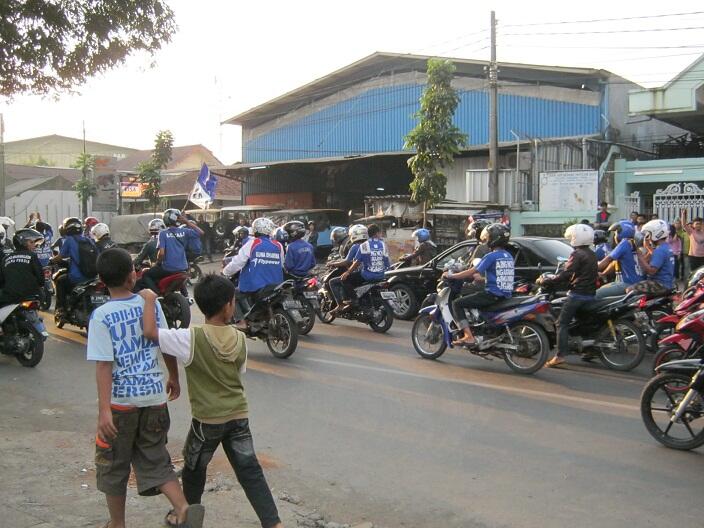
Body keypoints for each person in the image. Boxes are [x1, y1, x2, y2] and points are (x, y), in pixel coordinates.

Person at [139, 275, 284, 528]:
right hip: (238, 416)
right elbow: (239, 375)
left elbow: (150, 332)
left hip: (206, 421)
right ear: (229, 305)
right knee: (250, 472)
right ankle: (273, 523)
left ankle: (186, 516)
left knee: (195, 469)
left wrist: (150, 300)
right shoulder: (240, 340)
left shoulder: (189, 337)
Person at [86, 248, 204, 528]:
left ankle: (118, 523)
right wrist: (173, 376)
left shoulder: (101, 316)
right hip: (153, 398)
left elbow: (104, 366)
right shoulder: (149, 304)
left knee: (113, 466)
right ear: (134, 274)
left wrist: (104, 411)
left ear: (101, 280)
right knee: (155, 457)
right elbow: (164, 343)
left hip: (120, 405)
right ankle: (183, 507)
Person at [442, 223, 514, 346]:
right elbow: (497, 276)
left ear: (493, 239)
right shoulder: (508, 256)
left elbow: (473, 270)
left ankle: (468, 336)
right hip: (505, 294)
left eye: (488, 237)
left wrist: (452, 276)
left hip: (492, 294)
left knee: (457, 303)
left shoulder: (491, 256)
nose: (486, 240)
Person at [542, 224, 598, 368]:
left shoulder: (577, 254)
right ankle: (587, 349)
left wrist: (549, 279)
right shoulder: (592, 253)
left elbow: (566, 274)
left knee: (561, 323)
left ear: (576, 238)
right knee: (582, 322)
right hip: (590, 294)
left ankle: (560, 355)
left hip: (578, 294)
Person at [139, 209, 203, 294]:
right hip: (184, 267)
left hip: (168, 268)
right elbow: (200, 232)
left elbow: (161, 253)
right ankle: (184, 295)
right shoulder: (184, 231)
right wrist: (187, 222)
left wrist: (158, 263)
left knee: (146, 275)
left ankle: (158, 294)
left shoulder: (163, 233)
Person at [222, 217, 284, 303]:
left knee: (231, 296)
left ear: (255, 230)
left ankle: (239, 316)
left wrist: (225, 271)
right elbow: (281, 264)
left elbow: (238, 263)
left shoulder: (252, 243)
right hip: (276, 285)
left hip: (255, 287)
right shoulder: (278, 245)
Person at [51, 217, 99, 314]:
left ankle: (62, 309)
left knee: (60, 281)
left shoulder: (69, 240)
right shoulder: (89, 240)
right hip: (93, 277)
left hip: (77, 277)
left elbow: (60, 257)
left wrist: (51, 260)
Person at [340, 223, 390, 305]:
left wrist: (348, 272)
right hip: (381, 275)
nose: (381, 234)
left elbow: (357, 262)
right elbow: (386, 261)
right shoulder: (383, 245)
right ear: (377, 233)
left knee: (345, 279)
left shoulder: (364, 245)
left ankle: (354, 299)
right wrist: (388, 271)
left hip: (367, 276)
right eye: (380, 232)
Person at [595, 220, 642, 299]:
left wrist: (593, 268)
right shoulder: (633, 243)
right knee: (602, 288)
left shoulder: (624, 243)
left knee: (595, 295)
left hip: (626, 283)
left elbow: (608, 259)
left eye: (616, 232)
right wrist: (603, 274)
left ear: (622, 232)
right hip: (635, 282)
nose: (615, 236)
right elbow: (614, 262)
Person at [0, 228, 45, 306]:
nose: (34, 245)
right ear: (23, 242)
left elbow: (1, 281)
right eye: (31, 242)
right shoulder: (32, 256)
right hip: (31, 296)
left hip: (10, 298)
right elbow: (41, 280)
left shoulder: (5, 258)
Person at [633, 219, 675, 296]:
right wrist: (648, 247)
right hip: (668, 283)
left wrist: (639, 255)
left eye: (649, 234)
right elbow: (659, 258)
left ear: (656, 233)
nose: (647, 238)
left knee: (629, 289)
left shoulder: (660, 250)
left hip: (659, 284)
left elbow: (651, 271)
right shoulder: (666, 247)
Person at [328, 225, 366, 307]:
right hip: (374, 272)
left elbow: (350, 261)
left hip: (360, 273)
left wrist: (334, 264)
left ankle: (343, 304)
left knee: (336, 281)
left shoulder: (354, 246)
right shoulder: (370, 244)